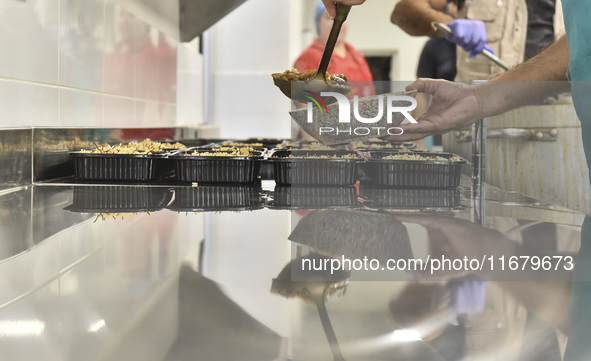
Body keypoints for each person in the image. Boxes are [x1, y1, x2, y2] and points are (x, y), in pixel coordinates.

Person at [294, 1, 375, 98]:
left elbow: (370, 93)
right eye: (329, 17)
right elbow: (305, 101)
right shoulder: (308, 58)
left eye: (344, 17)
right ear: (318, 23)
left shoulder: (358, 57)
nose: (336, 22)